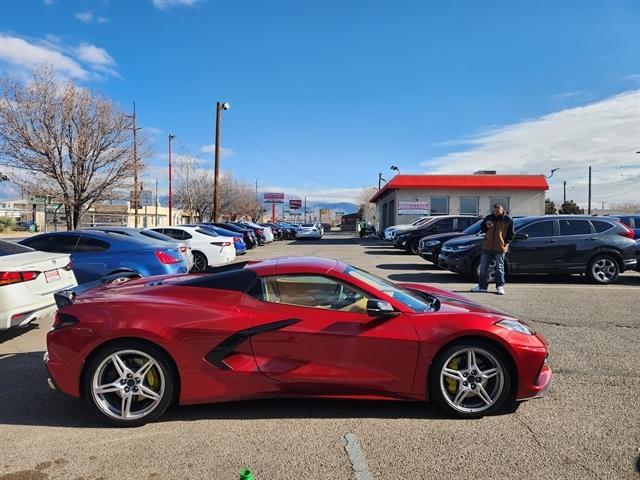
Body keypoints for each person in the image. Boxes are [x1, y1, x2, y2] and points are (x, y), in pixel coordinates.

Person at [471, 203, 514, 295]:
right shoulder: (488, 218)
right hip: (487, 246)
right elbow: (482, 229)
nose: (496, 213)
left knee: (500, 268)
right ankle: (482, 287)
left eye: (497, 211)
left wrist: (505, 243)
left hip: (500, 247)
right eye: (494, 211)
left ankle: (500, 286)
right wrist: (486, 226)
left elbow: (511, 234)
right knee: (483, 267)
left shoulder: (508, 219)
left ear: (502, 210)